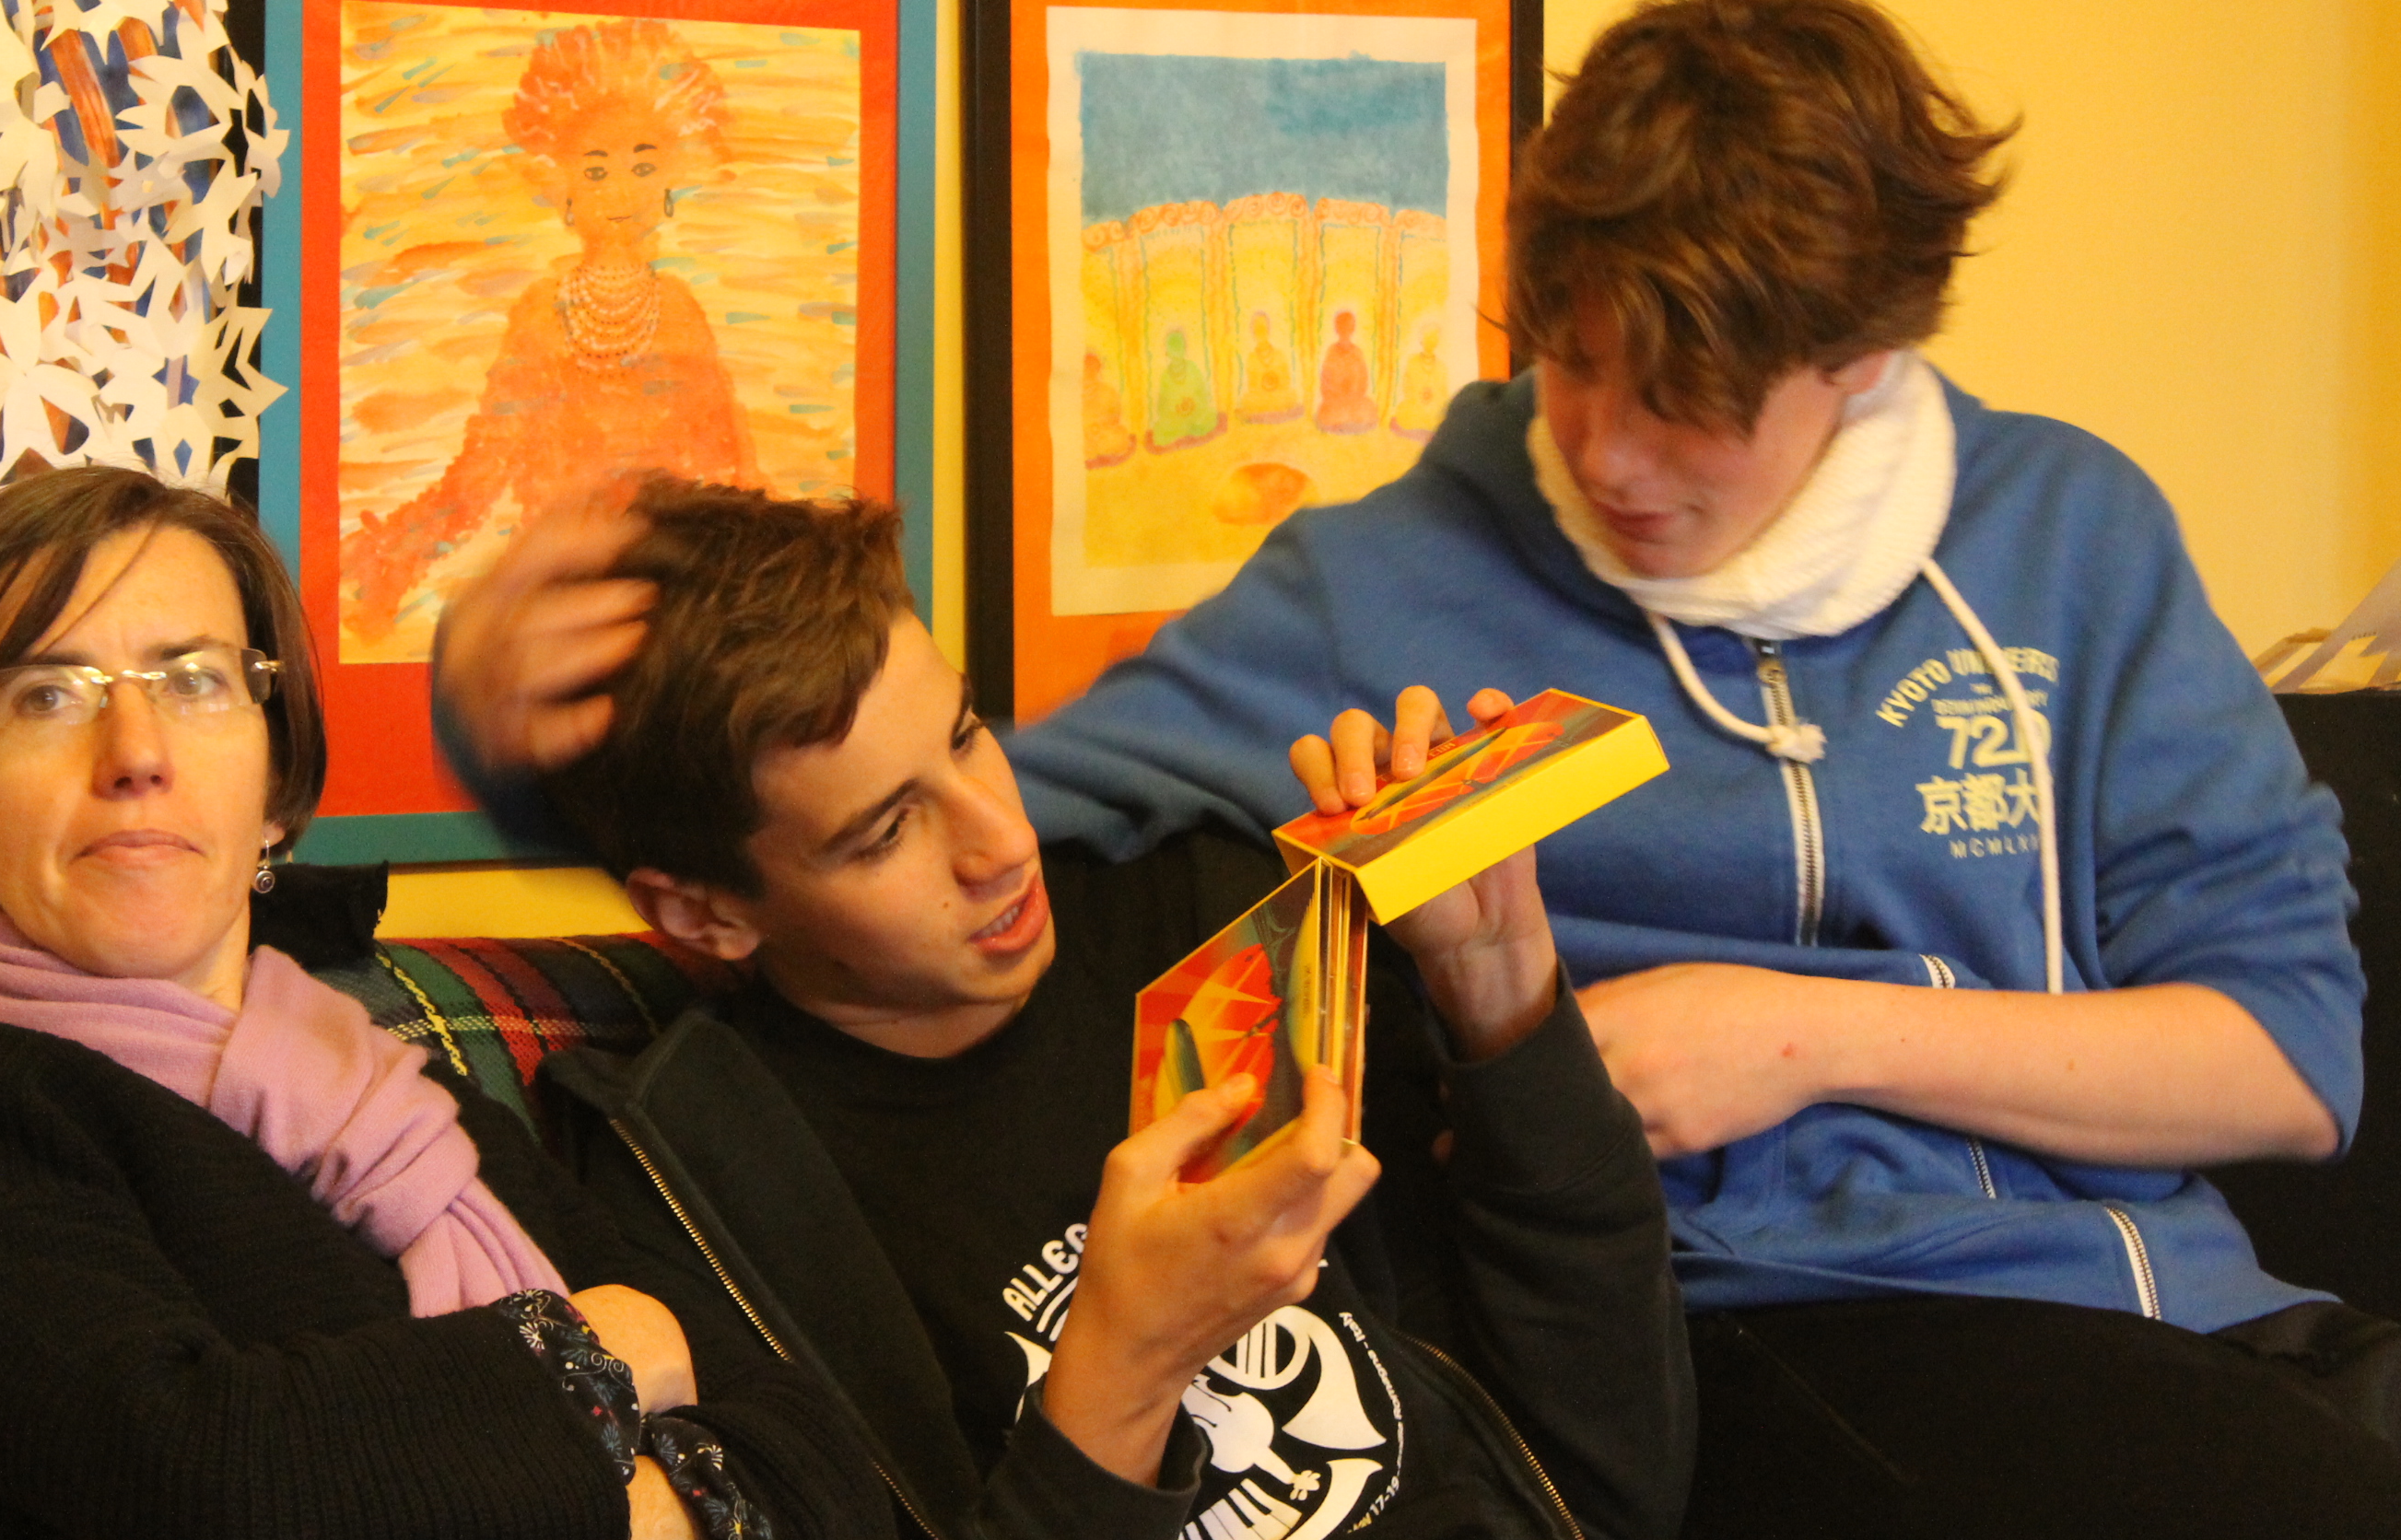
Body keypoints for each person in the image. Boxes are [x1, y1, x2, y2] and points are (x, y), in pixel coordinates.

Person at [998, 0, 2401, 1533]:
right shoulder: (1371, 588)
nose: (1606, 449)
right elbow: (975, 826)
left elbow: (2289, 1064)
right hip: (1765, 1328)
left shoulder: (2072, 535)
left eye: (1685, 401)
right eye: (1571, 358)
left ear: (1860, 355)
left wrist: (1793, 1037)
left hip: (2197, 1309)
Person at [431, 480, 1693, 1540]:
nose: (998, 842)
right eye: (884, 832)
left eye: (965, 735)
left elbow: (1609, 1472)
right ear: (707, 916)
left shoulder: (1203, 901)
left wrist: (1499, 988)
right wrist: (1121, 1371)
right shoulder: (708, 1198)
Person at [0, 466, 886, 1540]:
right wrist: (619, 1344)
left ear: (274, 788)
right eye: (48, 694)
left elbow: (825, 1455)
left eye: (195, 681)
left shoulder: (412, 1104)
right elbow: (214, 1479)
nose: (136, 752)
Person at [343, 16, 760, 646]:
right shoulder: (542, 312)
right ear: (561, 184)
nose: (620, 191)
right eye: (595, 171)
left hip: (672, 599)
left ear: (670, 180)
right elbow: (486, 464)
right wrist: (396, 558)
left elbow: (729, 467)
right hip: (561, 594)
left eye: (642, 167)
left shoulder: (679, 312)